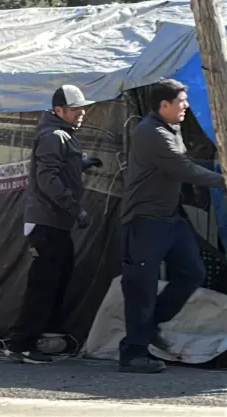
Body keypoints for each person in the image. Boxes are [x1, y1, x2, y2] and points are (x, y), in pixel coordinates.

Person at [118, 79, 225, 374]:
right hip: (145, 221)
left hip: (170, 220)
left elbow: (183, 164)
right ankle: (133, 352)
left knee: (193, 272)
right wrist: (222, 179)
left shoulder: (170, 129)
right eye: (181, 101)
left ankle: (151, 325)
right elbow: (183, 168)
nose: (186, 106)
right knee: (141, 287)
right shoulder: (152, 133)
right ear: (163, 105)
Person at [5, 85, 102, 364]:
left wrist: (82, 164)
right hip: (47, 223)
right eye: (75, 109)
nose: (81, 113)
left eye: (82, 108)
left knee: (55, 279)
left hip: (54, 224)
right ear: (59, 111)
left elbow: (58, 168)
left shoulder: (62, 135)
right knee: (44, 285)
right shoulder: (54, 135)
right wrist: (75, 208)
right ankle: (21, 345)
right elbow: (47, 179)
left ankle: (29, 340)